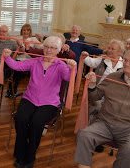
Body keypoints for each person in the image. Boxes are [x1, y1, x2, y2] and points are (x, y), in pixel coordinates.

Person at [4, 36, 76, 168]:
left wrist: (72, 68)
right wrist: (7, 57)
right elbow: (16, 66)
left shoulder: (61, 65)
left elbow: (67, 77)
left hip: (49, 103)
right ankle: (20, 154)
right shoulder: (35, 61)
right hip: (29, 98)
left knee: (36, 123)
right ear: (43, 47)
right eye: (47, 46)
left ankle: (30, 157)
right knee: (20, 119)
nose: (49, 50)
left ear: (58, 50)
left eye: (53, 48)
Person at [74, 50, 130, 168]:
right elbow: (95, 97)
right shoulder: (112, 77)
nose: (126, 63)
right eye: (125, 60)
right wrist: (92, 85)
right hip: (105, 123)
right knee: (84, 135)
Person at [5, 23, 42, 98]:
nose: (25, 32)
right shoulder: (18, 38)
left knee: (17, 72)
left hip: (28, 62)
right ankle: (10, 90)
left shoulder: (33, 39)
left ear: (30, 31)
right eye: (24, 30)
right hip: (18, 59)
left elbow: (41, 47)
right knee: (11, 70)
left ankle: (13, 90)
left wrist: (41, 39)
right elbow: (10, 42)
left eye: (28, 30)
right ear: (22, 31)